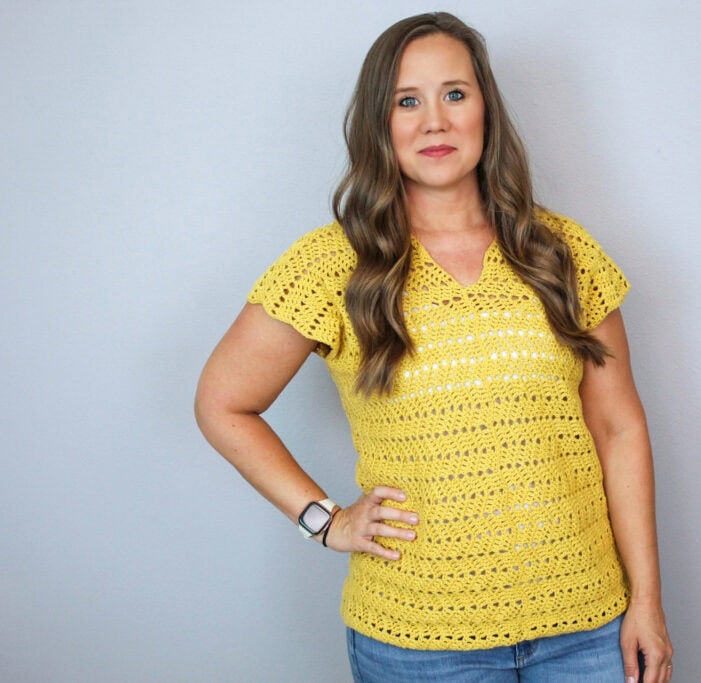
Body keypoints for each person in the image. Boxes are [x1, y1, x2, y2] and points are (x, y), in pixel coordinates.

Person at [195, 11, 673, 683]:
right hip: (420, 644)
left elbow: (620, 427)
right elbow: (222, 403)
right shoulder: (333, 265)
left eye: (455, 93)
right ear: (379, 123)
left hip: (587, 627)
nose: (434, 121)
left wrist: (646, 599)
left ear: (486, 109)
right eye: (406, 101)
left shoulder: (561, 252)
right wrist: (324, 520)